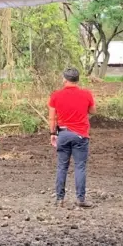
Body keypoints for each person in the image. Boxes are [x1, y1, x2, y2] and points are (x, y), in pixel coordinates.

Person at [48, 68, 96, 208]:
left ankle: (59, 199)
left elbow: (52, 117)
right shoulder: (86, 94)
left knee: (62, 166)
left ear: (64, 79)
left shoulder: (55, 95)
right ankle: (80, 199)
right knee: (80, 166)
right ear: (77, 80)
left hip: (63, 134)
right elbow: (93, 111)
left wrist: (52, 134)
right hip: (80, 135)